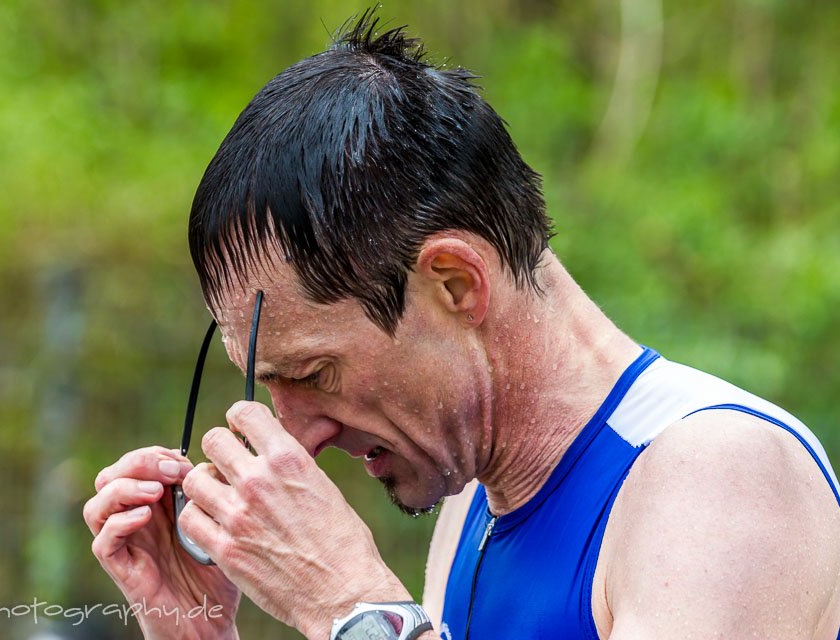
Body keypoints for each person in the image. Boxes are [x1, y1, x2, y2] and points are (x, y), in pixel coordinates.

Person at [83, 11, 840, 640]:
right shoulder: (469, 505)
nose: (299, 443)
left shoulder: (719, 480)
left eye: (314, 375)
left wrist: (358, 611)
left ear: (454, 282)